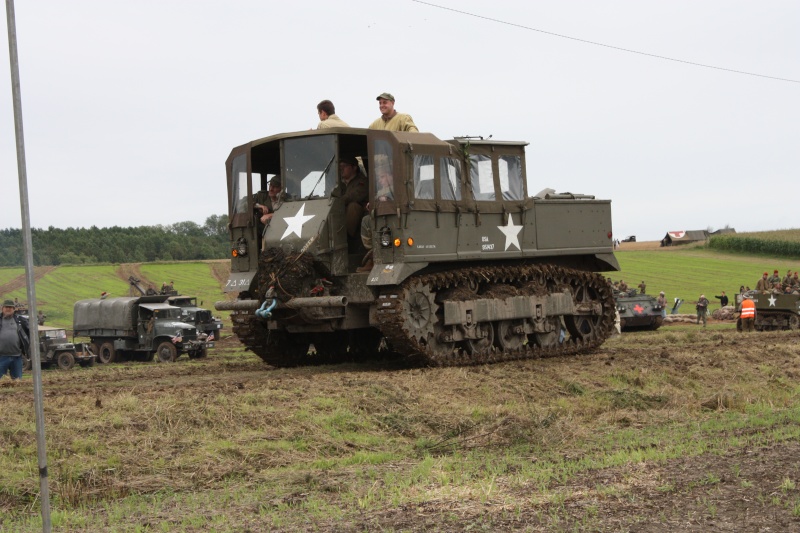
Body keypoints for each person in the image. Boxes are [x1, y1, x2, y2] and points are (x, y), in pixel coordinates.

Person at [334, 156, 368, 241]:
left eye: (344, 166)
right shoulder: (339, 184)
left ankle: (345, 238)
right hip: (341, 212)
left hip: (360, 216)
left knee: (353, 206)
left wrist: (336, 202)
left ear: (354, 168)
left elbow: (353, 196)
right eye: (340, 167)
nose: (341, 169)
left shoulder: (362, 182)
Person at [0, 299, 29, 384]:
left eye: (10, 307)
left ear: (14, 309)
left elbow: (29, 334)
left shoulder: (20, 321)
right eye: (6, 307)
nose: (8, 309)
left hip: (17, 357)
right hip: (1, 357)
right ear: (2, 308)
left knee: (17, 382)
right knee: (1, 383)